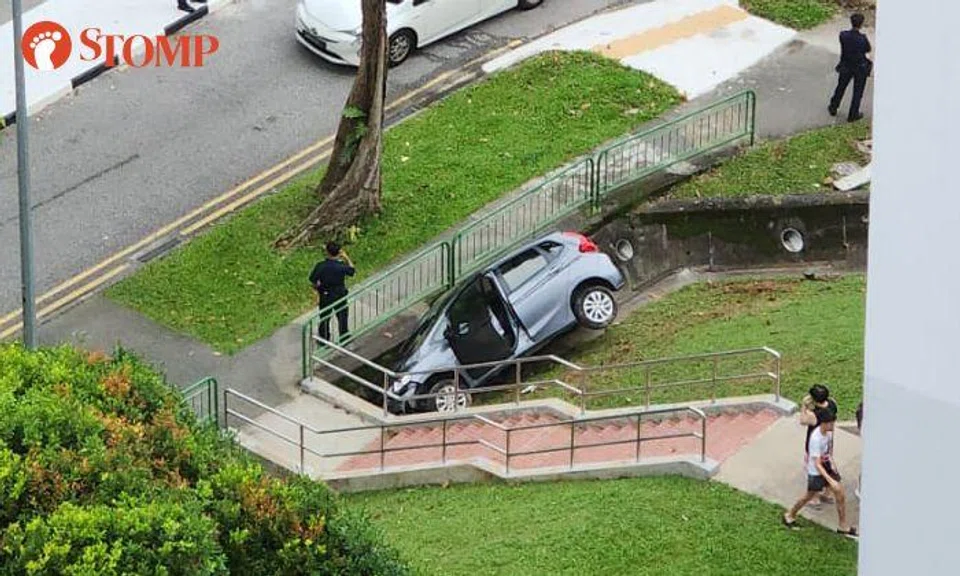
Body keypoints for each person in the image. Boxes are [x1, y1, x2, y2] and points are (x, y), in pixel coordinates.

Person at [784, 407, 858, 539]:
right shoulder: (815, 439)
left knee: (840, 493)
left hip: (826, 465)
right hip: (816, 471)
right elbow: (817, 464)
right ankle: (790, 514)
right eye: (830, 423)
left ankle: (843, 526)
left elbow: (828, 453)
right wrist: (831, 481)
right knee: (809, 496)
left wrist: (833, 468)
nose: (832, 425)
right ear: (823, 423)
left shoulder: (828, 434)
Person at [828, 12, 872, 122]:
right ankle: (853, 114)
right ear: (861, 24)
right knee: (857, 92)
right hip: (859, 67)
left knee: (840, 87)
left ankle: (833, 107)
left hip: (846, 65)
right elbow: (868, 49)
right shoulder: (862, 38)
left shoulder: (843, 35)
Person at [309, 241, 356, 345]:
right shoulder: (341, 266)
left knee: (325, 317)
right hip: (340, 294)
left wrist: (318, 289)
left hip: (325, 294)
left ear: (327, 252)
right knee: (342, 316)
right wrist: (346, 257)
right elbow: (352, 270)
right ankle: (344, 337)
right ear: (339, 252)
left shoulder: (320, 266)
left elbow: (313, 280)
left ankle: (323, 339)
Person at [799, 384, 838, 506]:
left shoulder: (814, 414)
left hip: (814, 446)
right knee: (828, 466)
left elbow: (802, 421)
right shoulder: (832, 404)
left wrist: (804, 406)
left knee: (814, 470)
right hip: (827, 443)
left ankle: (814, 498)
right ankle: (827, 493)